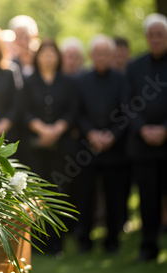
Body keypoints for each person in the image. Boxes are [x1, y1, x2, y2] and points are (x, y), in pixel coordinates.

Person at [22, 39, 79, 255]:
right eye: (43, 53)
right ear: (37, 57)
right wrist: (42, 130)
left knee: (58, 192)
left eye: (51, 53)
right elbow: (24, 111)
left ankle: (57, 244)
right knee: (37, 193)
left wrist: (56, 130)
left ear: (58, 57)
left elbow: (72, 110)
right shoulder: (29, 81)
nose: (47, 57)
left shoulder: (68, 82)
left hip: (62, 146)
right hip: (35, 147)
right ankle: (37, 243)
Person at [76, 34, 129, 254]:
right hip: (87, 149)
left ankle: (112, 241)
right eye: (97, 53)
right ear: (91, 55)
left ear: (110, 55)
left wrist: (112, 135)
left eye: (106, 53)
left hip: (113, 149)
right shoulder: (82, 80)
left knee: (114, 197)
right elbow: (77, 113)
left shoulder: (121, 79)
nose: (101, 57)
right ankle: (84, 241)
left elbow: (127, 111)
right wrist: (91, 134)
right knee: (85, 197)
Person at [126, 13, 167, 262]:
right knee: (148, 198)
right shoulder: (134, 66)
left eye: (160, 34)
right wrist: (143, 129)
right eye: (151, 35)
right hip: (143, 146)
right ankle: (148, 246)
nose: (155, 39)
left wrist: (165, 129)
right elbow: (128, 104)